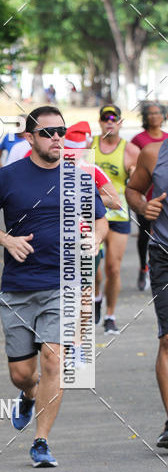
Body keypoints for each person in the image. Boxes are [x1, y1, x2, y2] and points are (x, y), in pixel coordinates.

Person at [0, 106, 107, 468]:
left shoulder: (78, 176)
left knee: (53, 359)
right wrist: (5, 239)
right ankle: (28, 395)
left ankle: (41, 441)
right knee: (21, 374)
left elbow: (100, 220)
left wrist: (93, 242)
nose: (57, 138)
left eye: (61, 131)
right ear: (29, 138)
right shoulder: (7, 177)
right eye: (48, 132)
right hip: (18, 287)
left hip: (61, 284)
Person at [125, 140, 168, 448]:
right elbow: (132, 190)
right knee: (167, 339)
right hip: (164, 253)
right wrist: (143, 206)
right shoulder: (154, 153)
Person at [92, 104, 140, 334]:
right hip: (92, 213)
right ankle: (97, 297)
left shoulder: (130, 150)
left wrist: (134, 174)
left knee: (113, 268)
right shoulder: (88, 146)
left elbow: (140, 185)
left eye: (114, 118)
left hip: (119, 214)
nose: (109, 122)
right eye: (105, 118)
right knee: (93, 267)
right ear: (100, 122)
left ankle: (110, 314)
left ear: (120, 122)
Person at [131, 103, 168, 291]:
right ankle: (143, 267)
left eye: (157, 113)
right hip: (151, 201)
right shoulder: (142, 142)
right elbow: (134, 184)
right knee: (145, 236)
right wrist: (143, 205)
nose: (154, 117)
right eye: (150, 114)